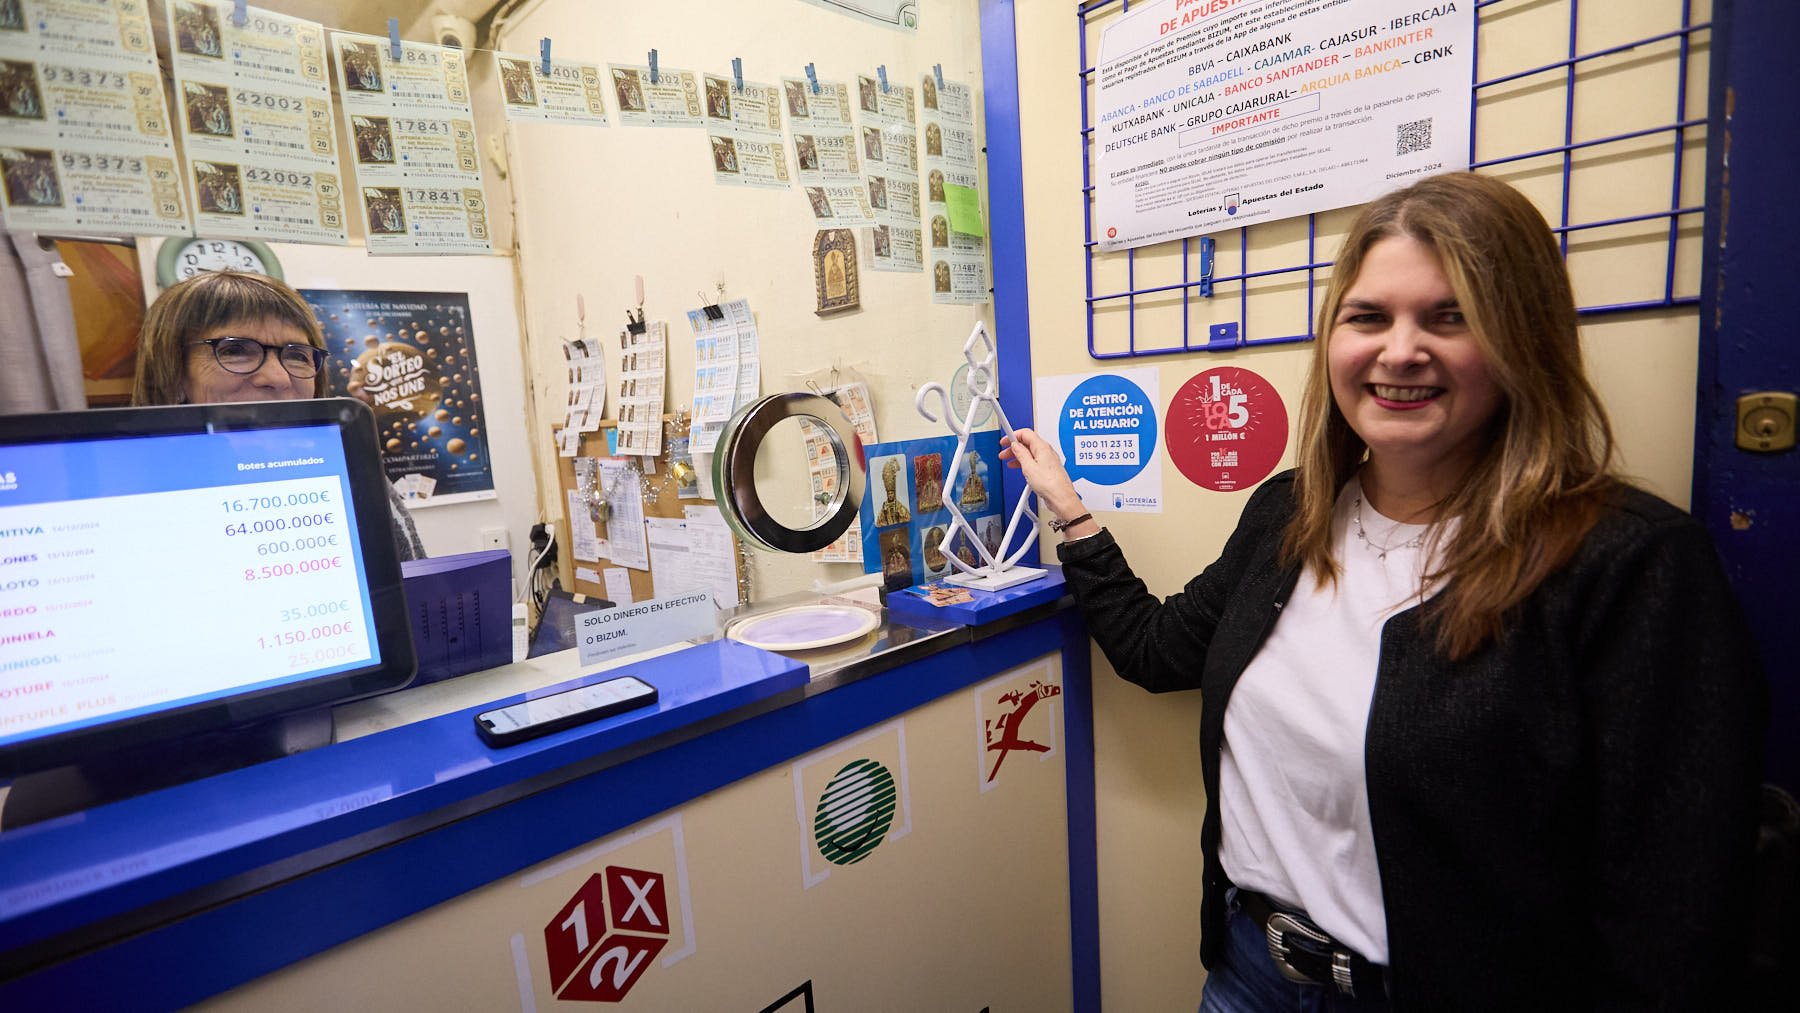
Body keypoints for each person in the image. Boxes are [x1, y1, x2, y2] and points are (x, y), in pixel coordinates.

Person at [1002, 172, 1764, 1011]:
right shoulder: (1289, 512)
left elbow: (1672, 919)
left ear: (1523, 340)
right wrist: (1071, 513)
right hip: (1249, 976)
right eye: (1368, 317)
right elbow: (1157, 650)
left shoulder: (1625, 562)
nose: (1400, 350)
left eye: (1451, 316)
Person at [133, 271, 426, 562]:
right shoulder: (131, 493)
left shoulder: (353, 471)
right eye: (235, 350)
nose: (278, 378)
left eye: (297, 355)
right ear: (171, 375)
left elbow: (411, 593)